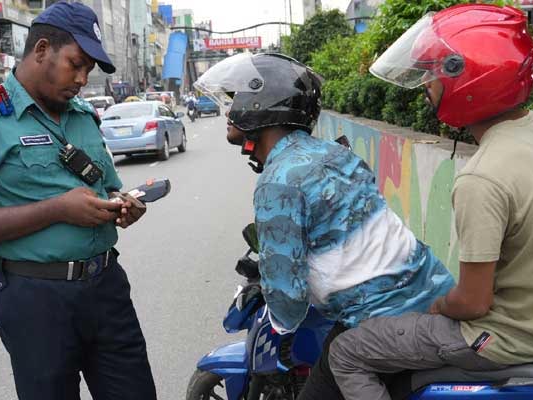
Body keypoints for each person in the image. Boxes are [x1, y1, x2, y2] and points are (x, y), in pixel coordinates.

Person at [326, 4, 533, 400]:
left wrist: (440, 305)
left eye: (436, 74)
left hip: (504, 339)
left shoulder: (482, 178)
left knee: (347, 351)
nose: (428, 85)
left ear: (469, 79)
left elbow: (473, 303)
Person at [193, 52, 455, 399]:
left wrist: (280, 319)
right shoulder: (334, 153)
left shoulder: (280, 181)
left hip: (380, 318)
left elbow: (288, 298)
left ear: (263, 103)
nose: (229, 110)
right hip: (430, 293)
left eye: (237, 98)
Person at [0, 3, 157, 400]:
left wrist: (120, 205)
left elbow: (107, 186)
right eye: (76, 64)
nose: (82, 78)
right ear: (41, 50)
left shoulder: (84, 116)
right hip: (35, 297)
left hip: (106, 288)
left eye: (88, 69)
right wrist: (58, 209)